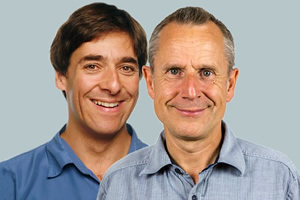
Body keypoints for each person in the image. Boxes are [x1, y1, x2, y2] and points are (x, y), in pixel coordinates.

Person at [97, 6, 300, 200]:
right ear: (150, 82)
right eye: (175, 71)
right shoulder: (117, 183)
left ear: (230, 84)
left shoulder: (279, 179)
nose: (191, 91)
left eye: (206, 73)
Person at [0, 2, 147, 200]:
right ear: (61, 77)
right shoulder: (11, 182)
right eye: (93, 66)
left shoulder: (178, 176)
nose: (113, 85)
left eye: (126, 68)